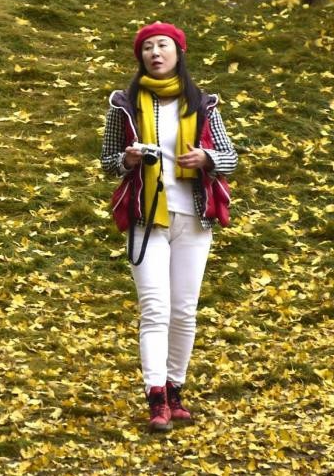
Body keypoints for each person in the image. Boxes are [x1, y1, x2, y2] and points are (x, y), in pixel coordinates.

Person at [101, 22, 238, 432]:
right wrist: (126, 161)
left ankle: (176, 389)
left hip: (194, 217)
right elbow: (107, 161)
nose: (155, 53)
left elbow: (231, 157)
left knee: (184, 311)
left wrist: (207, 160)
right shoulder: (123, 103)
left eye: (163, 46)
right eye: (147, 48)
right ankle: (156, 397)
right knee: (155, 309)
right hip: (146, 218)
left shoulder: (204, 104)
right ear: (139, 56)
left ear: (179, 52)